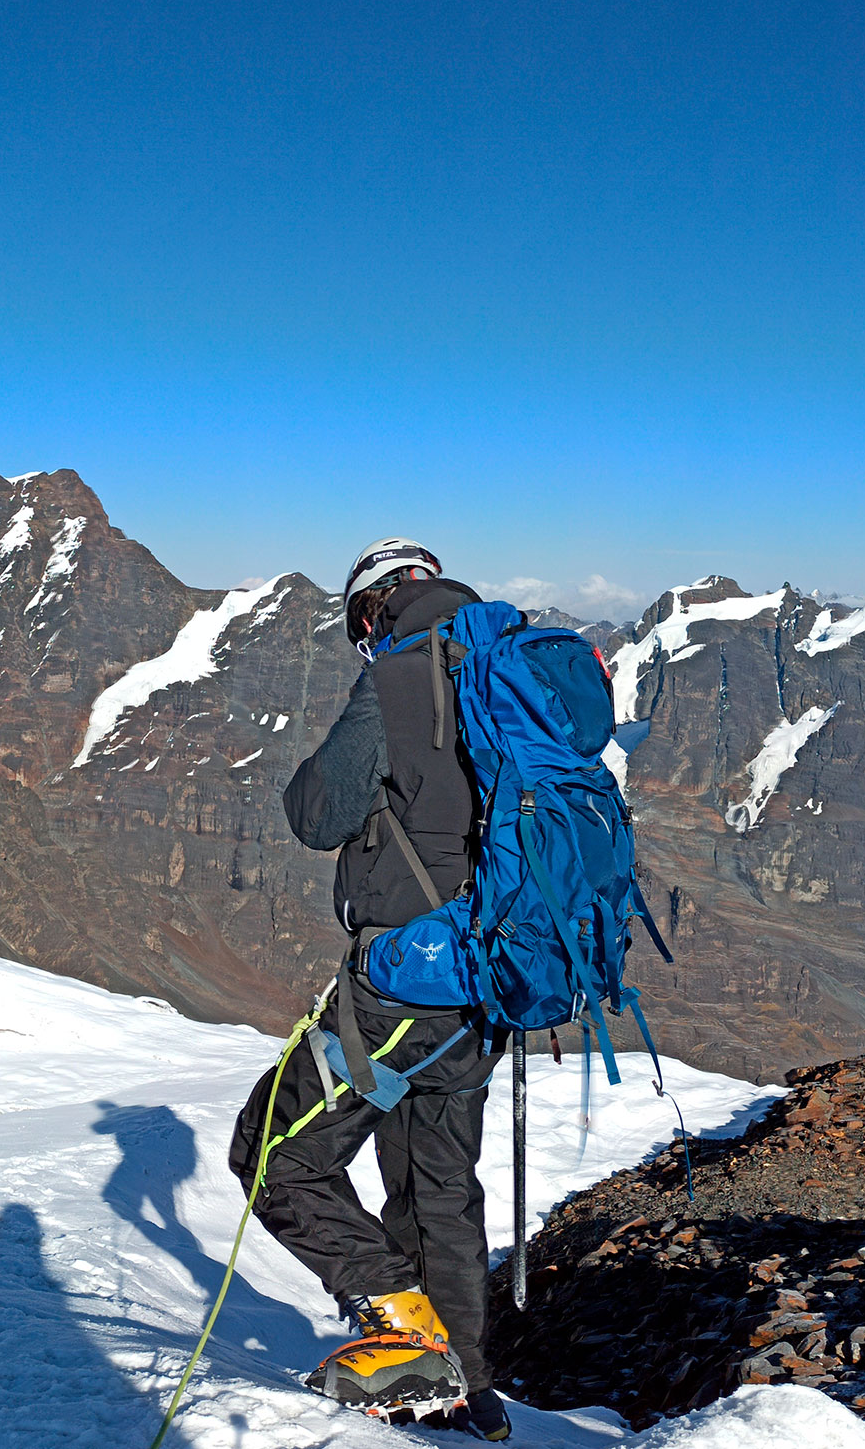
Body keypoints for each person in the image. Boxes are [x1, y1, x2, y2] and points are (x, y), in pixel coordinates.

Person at [228, 536, 511, 1442]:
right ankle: (468, 1395)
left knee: (273, 1152)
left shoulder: (394, 677)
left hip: (404, 987)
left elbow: (318, 816)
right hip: (485, 988)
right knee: (438, 1191)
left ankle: (407, 1334)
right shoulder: (506, 670)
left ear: (369, 612)